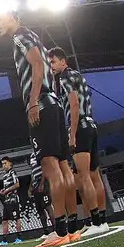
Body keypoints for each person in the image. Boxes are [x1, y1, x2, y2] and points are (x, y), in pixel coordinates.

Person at [0, 11, 77, 247]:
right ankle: (71, 226)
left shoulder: (20, 36)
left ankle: (59, 229)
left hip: (42, 106)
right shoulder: (34, 37)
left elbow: (38, 64)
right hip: (54, 105)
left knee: (51, 168)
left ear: (11, 16)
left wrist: (32, 101)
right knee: (62, 166)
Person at [47, 47, 109, 235]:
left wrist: (72, 134)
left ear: (63, 61)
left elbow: (74, 105)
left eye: (53, 62)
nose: (51, 67)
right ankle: (101, 221)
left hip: (80, 126)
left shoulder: (65, 77)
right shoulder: (78, 75)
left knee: (83, 177)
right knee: (94, 175)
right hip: (91, 124)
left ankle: (96, 222)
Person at [0, 157, 23, 245]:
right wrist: (3, 190)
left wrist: (7, 190)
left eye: (5, 163)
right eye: (2, 164)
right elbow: (6, 187)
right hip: (7, 200)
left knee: (17, 218)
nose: (3, 165)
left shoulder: (13, 172)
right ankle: (4, 240)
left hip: (13, 199)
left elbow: (17, 184)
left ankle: (19, 237)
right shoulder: (4, 176)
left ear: (10, 163)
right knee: (4, 220)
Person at [28, 145, 52, 238]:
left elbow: (44, 167)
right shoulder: (32, 155)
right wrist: (30, 187)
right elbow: (33, 172)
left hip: (43, 183)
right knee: (40, 209)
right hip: (35, 185)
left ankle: (55, 229)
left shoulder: (40, 152)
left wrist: (42, 183)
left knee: (48, 206)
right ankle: (46, 232)